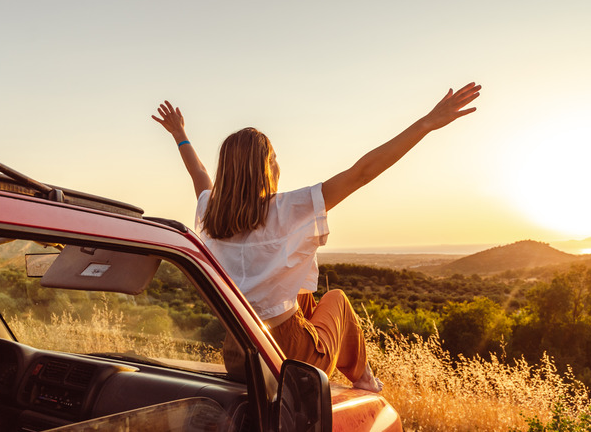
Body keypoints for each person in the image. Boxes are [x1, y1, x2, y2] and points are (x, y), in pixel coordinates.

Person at [152, 83, 481, 392]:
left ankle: (355, 368)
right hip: (288, 354)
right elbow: (362, 172)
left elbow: (199, 176)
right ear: (267, 167)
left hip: (237, 352)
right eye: (274, 158)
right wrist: (426, 123)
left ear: (228, 169)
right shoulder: (287, 208)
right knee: (336, 299)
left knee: (305, 297)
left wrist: (180, 135)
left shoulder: (211, 212)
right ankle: (364, 378)